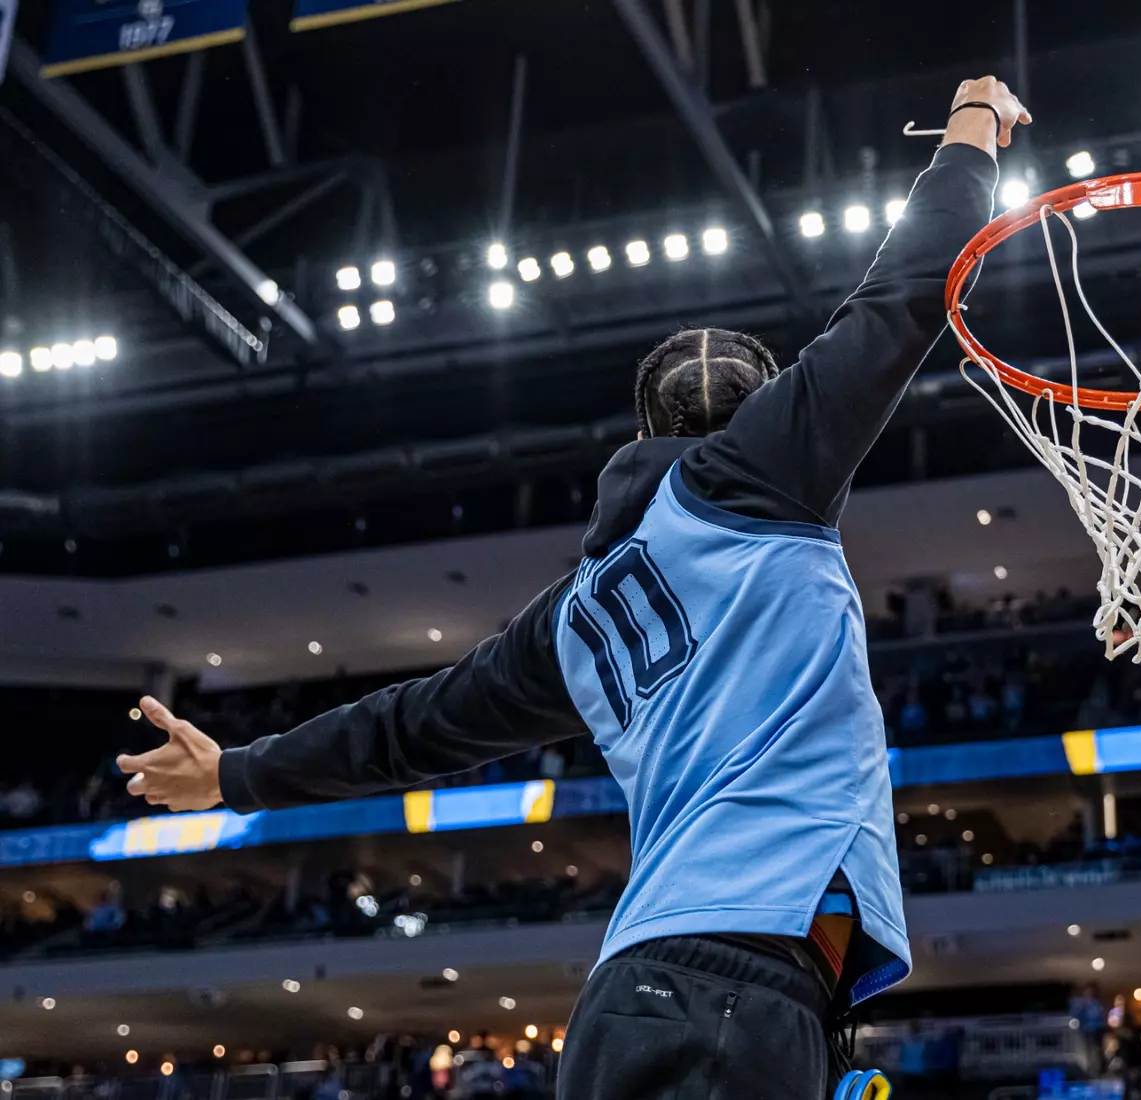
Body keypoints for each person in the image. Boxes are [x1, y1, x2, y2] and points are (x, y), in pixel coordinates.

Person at [113, 76, 1028, 1100]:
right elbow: (902, 292)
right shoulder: (766, 474)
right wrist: (973, 127)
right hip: (743, 986)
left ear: (641, 439)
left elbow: (409, 724)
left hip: (632, 995)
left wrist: (236, 771)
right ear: (767, 415)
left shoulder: (576, 613)